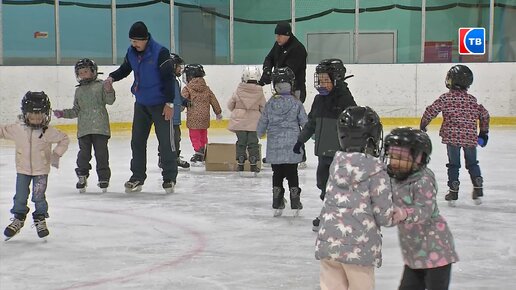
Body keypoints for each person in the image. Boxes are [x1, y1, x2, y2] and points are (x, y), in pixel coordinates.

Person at [315, 106, 403, 290]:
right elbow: (384, 216)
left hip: (328, 244)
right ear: (372, 138)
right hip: (358, 249)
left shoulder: (336, 164)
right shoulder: (376, 170)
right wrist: (399, 214)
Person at [104, 21, 178, 194]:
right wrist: (112, 78)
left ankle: (169, 177)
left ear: (145, 39)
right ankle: (137, 176)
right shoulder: (131, 52)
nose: (133, 44)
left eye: (136, 41)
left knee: (166, 143)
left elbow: (169, 78)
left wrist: (169, 103)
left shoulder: (160, 52)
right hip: (142, 104)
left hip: (161, 104)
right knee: (137, 141)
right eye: (131, 41)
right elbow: (125, 69)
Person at [383, 127, 459, 290]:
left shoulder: (423, 180)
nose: (395, 162)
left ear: (419, 159)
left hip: (436, 251)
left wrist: (404, 213)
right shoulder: (393, 178)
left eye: (401, 158)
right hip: (414, 253)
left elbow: (425, 209)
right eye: (392, 157)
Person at [293, 58, 357, 231]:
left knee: (337, 186)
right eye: (320, 80)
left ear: (337, 79)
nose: (322, 84)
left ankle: (338, 215)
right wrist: (301, 140)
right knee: (323, 184)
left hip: (339, 153)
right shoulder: (319, 100)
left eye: (326, 80)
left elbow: (355, 126)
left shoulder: (345, 100)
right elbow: (312, 123)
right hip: (323, 152)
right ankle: (330, 212)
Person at [1, 91, 69, 240]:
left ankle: (40, 218)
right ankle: (18, 218)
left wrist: (56, 154)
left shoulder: (49, 132)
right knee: (20, 196)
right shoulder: (17, 129)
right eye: (32, 115)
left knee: (39, 197)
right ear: (25, 114)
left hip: (41, 171)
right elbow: (2, 131)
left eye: (40, 115)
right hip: (22, 170)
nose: (36, 119)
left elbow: (64, 139)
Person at [420, 64, 490, 206]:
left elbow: (431, 111)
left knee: (454, 164)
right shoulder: (472, 99)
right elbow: (484, 114)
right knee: (472, 163)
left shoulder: (446, 98)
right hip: (470, 137)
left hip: (452, 137)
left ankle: (453, 189)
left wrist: (423, 124)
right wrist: (483, 133)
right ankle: (477, 184)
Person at [53, 58, 115, 193]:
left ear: (93, 72)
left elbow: (110, 101)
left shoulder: (100, 85)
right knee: (83, 155)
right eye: (80, 72)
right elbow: (76, 110)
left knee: (102, 154)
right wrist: (63, 113)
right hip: (84, 130)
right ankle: (82, 175)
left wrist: (109, 89)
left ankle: (103, 178)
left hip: (101, 128)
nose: (83, 74)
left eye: (86, 71)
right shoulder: (79, 91)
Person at [256, 67, 308, 217]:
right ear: (292, 84)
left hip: (275, 145)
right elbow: (305, 121)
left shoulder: (271, 103)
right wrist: (310, 133)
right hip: (292, 144)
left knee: (277, 173)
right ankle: (295, 198)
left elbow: (263, 119)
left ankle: (277, 199)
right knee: (292, 172)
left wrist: (260, 133)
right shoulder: (296, 103)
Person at [181, 63, 222, 166]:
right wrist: (218, 112)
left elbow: (182, 100)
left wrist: (179, 109)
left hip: (193, 118)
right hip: (205, 118)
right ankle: (203, 150)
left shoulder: (187, 89)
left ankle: (198, 152)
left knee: (194, 136)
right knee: (203, 134)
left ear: (189, 76)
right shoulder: (206, 88)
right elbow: (214, 100)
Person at [227, 65, 266, 173]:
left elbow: (230, 105)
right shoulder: (260, 92)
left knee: (241, 142)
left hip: (239, 123)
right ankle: (253, 163)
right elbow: (264, 108)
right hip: (254, 123)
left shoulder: (238, 91)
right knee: (253, 143)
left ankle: (240, 162)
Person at [259, 22, 307, 103]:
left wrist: (271, 76)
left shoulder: (297, 48)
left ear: (287, 34)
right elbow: (269, 58)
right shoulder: (278, 45)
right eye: (276, 35)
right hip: (280, 89)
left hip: (295, 91)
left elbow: (288, 72)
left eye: (279, 36)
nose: (277, 38)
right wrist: (267, 71)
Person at [158, 53, 191, 170]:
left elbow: (177, 97)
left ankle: (173, 157)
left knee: (176, 138)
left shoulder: (175, 81)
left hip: (175, 118)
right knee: (167, 139)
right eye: (178, 66)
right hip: (168, 117)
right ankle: (164, 159)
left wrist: (185, 101)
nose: (180, 69)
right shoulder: (165, 81)